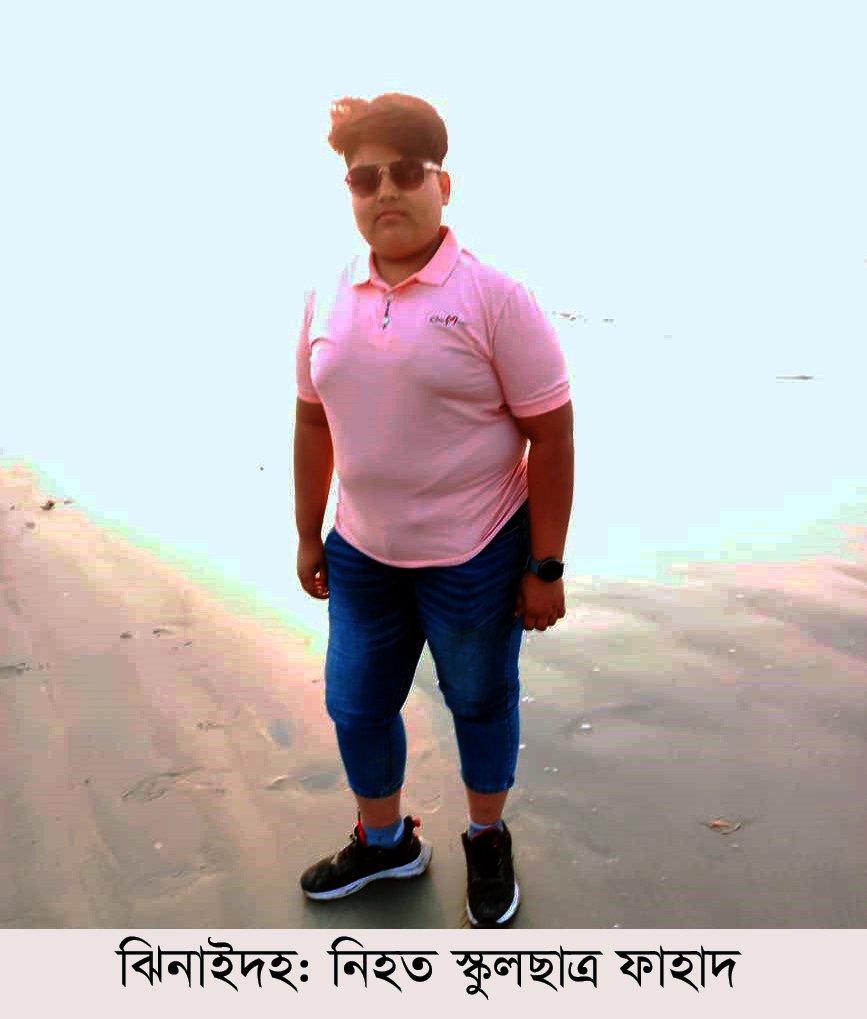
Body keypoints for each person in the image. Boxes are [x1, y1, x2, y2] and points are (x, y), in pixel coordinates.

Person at [293, 93, 574, 927]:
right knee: (355, 705)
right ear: (349, 190)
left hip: (475, 554)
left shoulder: (495, 297)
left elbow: (552, 435)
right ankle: (384, 841)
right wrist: (308, 532)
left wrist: (545, 564)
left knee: (480, 700)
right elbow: (312, 420)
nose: (385, 190)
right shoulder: (325, 294)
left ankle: (485, 835)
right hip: (361, 551)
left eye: (405, 172)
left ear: (441, 184)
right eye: (364, 177)